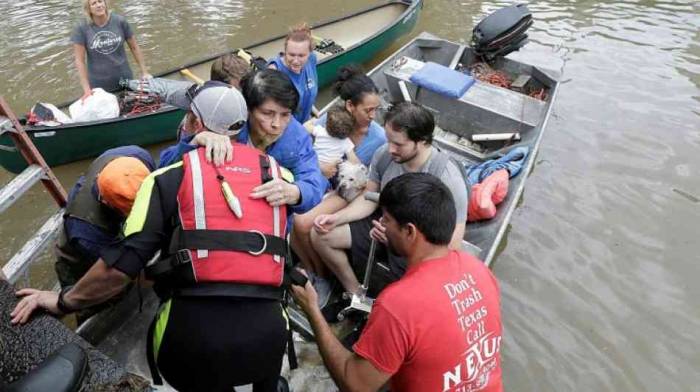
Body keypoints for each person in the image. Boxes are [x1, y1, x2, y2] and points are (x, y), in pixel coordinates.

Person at [11, 88, 290, 391]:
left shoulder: (164, 179)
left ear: (194, 122)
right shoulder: (280, 178)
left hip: (191, 349)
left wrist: (62, 301)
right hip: (269, 343)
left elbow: (119, 269)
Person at [291, 173, 502, 392]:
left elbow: (354, 385)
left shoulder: (398, 304)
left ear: (409, 231)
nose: (380, 223)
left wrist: (311, 308)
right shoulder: (479, 270)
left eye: (386, 220)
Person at [310, 102, 468, 304]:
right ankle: (356, 294)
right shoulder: (384, 155)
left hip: (419, 243)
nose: (390, 149)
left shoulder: (446, 177)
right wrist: (336, 218)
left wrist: (398, 240)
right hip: (386, 222)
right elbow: (369, 198)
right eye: (389, 140)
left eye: (399, 145)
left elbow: (451, 245)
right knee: (320, 235)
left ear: (421, 141)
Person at [160, 69, 327, 215]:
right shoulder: (224, 123)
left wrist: (296, 192)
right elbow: (164, 168)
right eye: (267, 113)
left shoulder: (297, 137)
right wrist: (194, 142)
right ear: (247, 109)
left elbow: (313, 181)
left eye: (285, 114)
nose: (277, 124)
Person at [291, 65, 386, 296]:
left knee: (303, 223)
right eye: (368, 110)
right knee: (290, 218)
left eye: (376, 110)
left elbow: (369, 184)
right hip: (326, 183)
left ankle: (323, 277)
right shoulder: (331, 120)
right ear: (350, 106)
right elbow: (302, 139)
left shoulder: (378, 138)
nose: (373, 116)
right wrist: (318, 167)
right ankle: (313, 269)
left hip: (351, 192)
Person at [56, 146, 154, 322]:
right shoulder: (86, 233)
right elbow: (114, 271)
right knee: (96, 304)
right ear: (106, 202)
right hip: (78, 258)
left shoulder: (138, 156)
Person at [72, 0, 151, 98]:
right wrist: (86, 89)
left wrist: (144, 72)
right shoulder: (81, 28)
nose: (98, 5)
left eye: (100, 1)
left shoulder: (120, 21)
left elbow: (134, 47)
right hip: (99, 86)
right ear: (89, 9)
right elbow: (79, 61)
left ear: (105, 3)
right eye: (94, 3)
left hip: (125, 80)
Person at [268, 23, 318, 123]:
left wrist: (313, 110)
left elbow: (306, 90)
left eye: (301, 56)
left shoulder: (312, 59)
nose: (295, 61)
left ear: (309, 53)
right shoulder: (274, 71)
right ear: (285, 51)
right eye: (291, 55)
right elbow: (271, 114)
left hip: (305, 124)